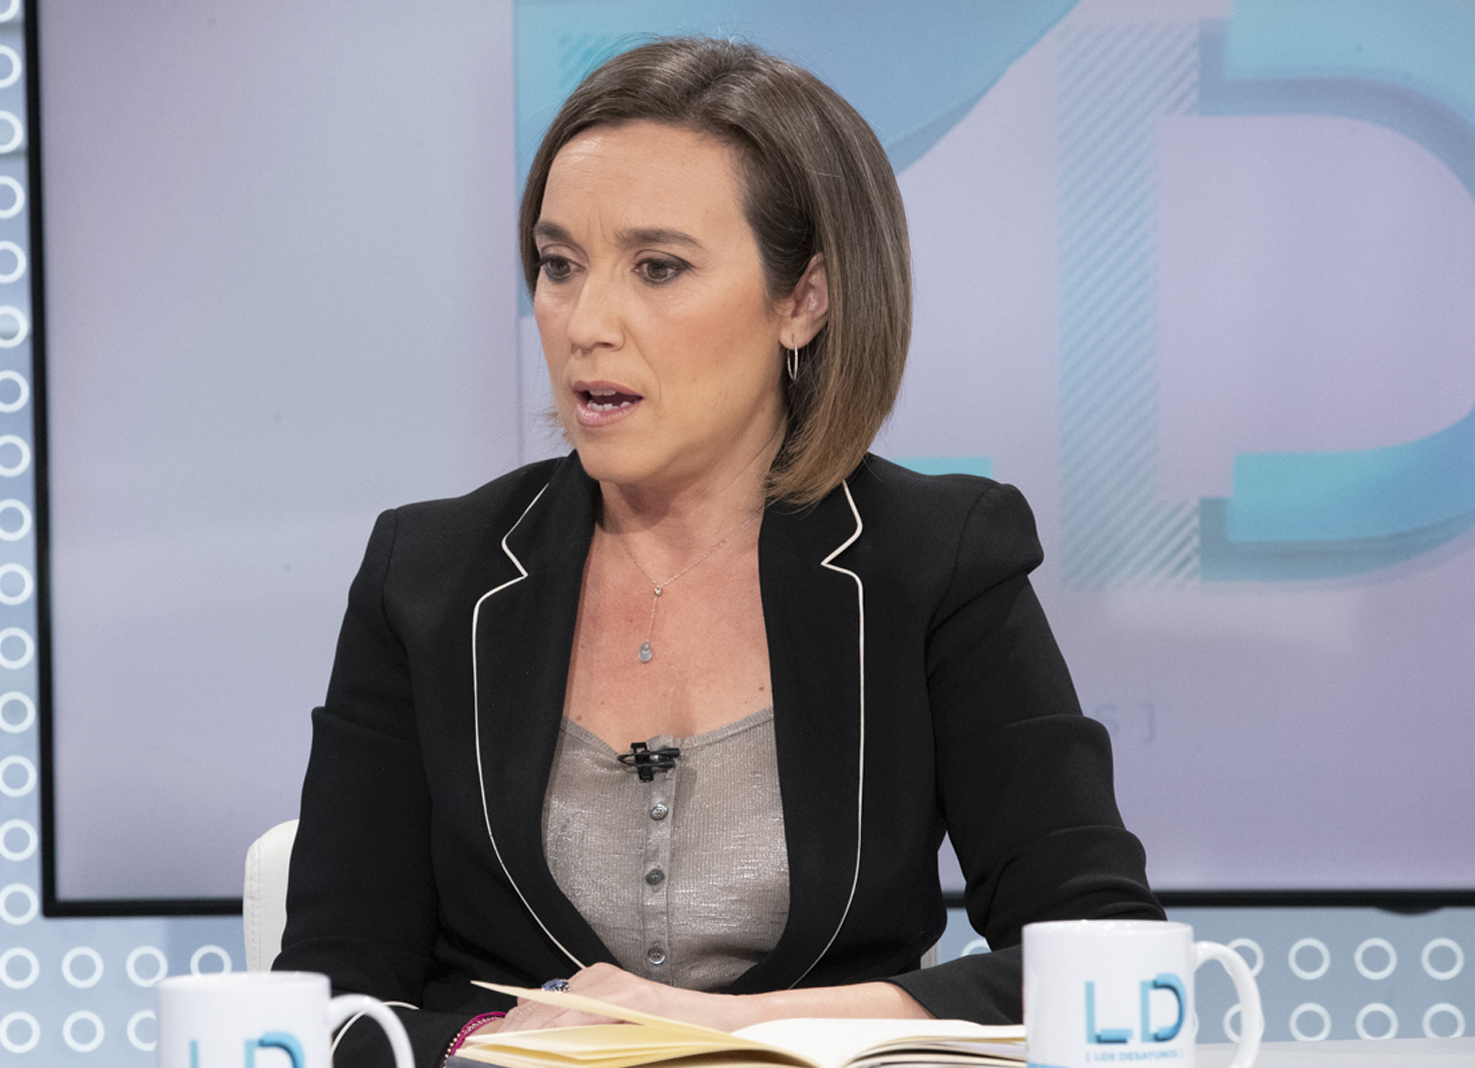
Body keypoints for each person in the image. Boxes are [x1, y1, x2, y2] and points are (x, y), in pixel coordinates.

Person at [274, 36, 1162, 1068]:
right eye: (559, 266)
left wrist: (732, 1029)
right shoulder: (429, 575)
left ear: (803, 299)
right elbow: (330, 1003)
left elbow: (1106, 959)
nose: (585, 322)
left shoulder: (936, 562)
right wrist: (498, 1042)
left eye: (658, 268)